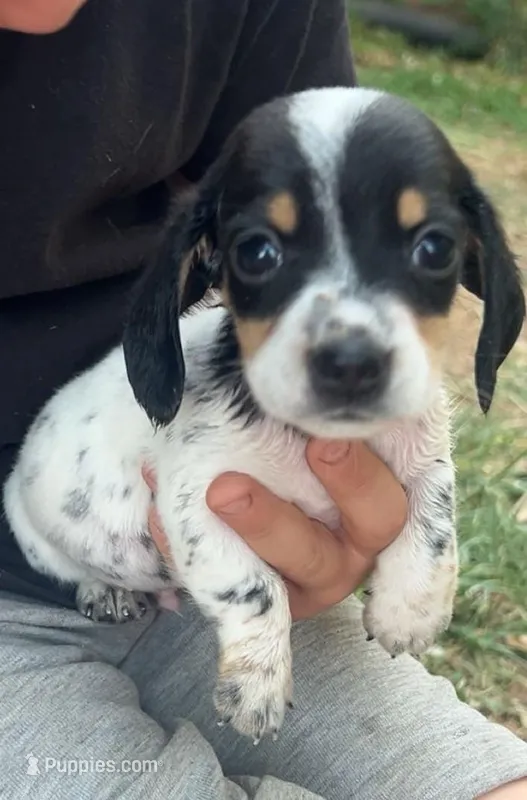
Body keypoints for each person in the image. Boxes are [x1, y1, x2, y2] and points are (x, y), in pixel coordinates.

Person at [0, 2, 526, 798]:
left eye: (428, 248)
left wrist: (366, 556)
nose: (350, 341)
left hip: (222, 588)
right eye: (260, 249)